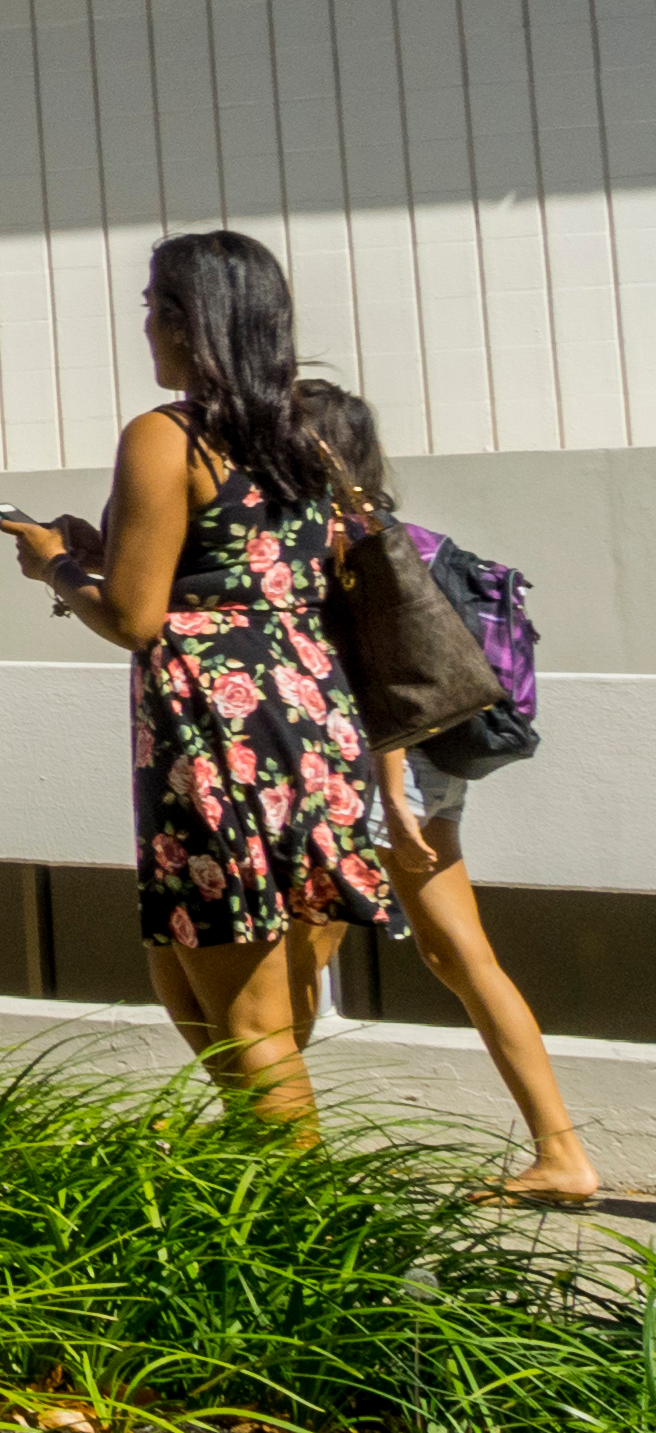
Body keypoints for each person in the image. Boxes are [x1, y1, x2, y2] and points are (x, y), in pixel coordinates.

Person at [1, 231, 393, 1131]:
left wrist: (57, 565)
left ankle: (310, 1242)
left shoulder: (166, 435)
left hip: (218, 734)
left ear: (188, 321)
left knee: (244, 1021)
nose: (143, 325)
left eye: (152, 306)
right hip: (312, 722)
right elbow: (246, 569)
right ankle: (267, 1201)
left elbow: (135, 618)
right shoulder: (310, 434)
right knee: (201, 981)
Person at [289, 380, 598, 1205]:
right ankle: (561, 1154)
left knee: (304, 943)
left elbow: (375, 686)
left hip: (387, 772)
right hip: (439, 764)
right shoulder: (404, 534)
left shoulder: (337, 543)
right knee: (455, 952)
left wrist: (389, 797)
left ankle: (255, 1127)